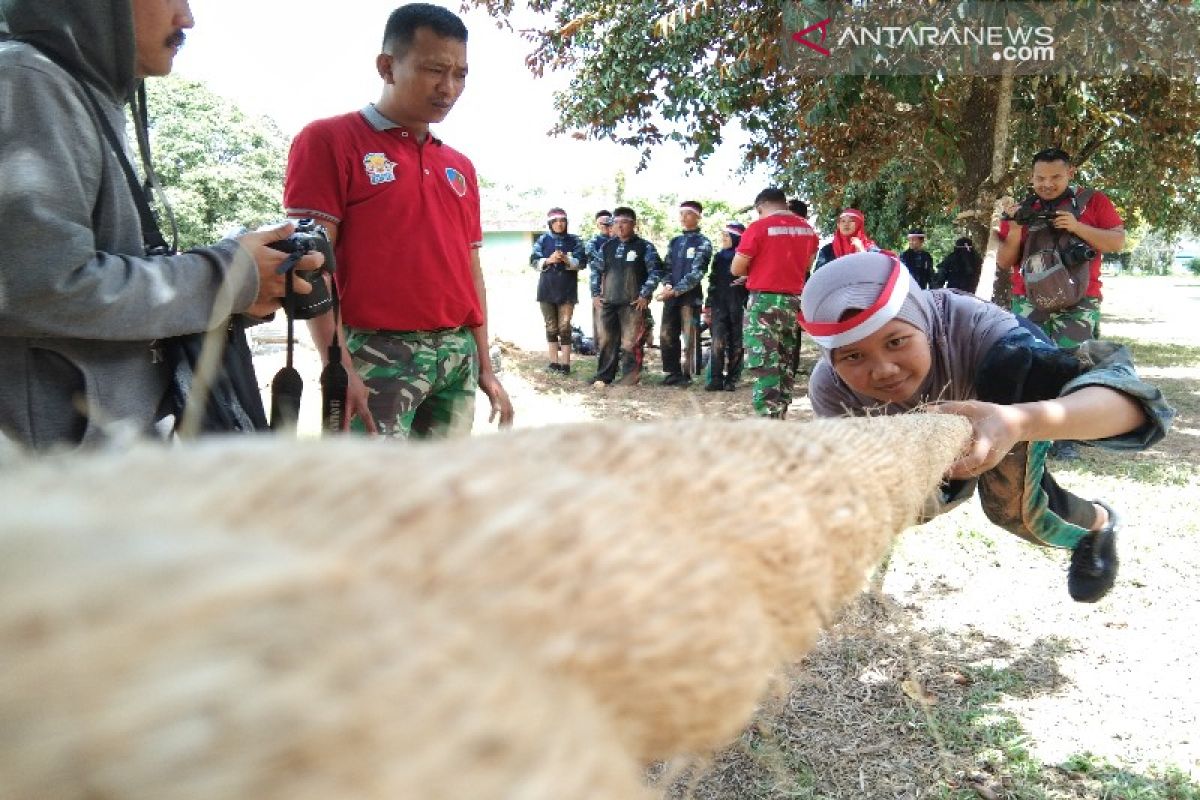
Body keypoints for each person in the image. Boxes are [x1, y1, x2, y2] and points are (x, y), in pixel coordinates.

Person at [0, 0, 318, 450]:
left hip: (112, 468)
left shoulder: (88, 94)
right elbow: (40, 286)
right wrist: (222, 279)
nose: (187, 18)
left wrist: (246, 292)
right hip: (54, 484)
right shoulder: (28, 81)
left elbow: (100, 284)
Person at [800, 252, 1172, 603]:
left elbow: (1135, 408)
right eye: (853, 356)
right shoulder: (831, 390)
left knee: (1016, 512)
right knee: (903, 504)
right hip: (930, 439)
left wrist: (1016, 421)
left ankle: (1098, 524)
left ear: (923, 324)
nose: (883, 369)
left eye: (896, 341)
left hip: (1006, 395)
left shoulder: (993, 339)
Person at [283, 3, 513, 438]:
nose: (448, 87)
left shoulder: (459, 166)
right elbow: (310, 267)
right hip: (375, 353)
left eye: (460, 74)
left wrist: (484, 364)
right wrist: (338, 366)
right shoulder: (329, 141)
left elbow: (471, 272)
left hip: (456, 356)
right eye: (434, 70)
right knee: (375, 496)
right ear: (387, 67)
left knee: (442, 495)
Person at [997, 147, 1125, 351]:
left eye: (1056, 177)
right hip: (1028, 300)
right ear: (1031, 177)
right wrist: (1014, 228)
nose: (1047, 184)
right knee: (1030, 367)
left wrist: (1076, 227)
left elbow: (1117, 242)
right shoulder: (1022, 211)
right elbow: (1004, 262)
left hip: (1079, 299)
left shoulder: (1093, 201)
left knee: (1075, 367)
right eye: (1040, 178)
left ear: (1071, 173)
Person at [731, 188, 819, 418]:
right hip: (793, 302)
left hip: (763, 302)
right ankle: (780, 415)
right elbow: (806, 266)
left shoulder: (758, 228)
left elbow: (736, 268)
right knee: (784, 360)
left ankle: (767, 420)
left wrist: (755, 273)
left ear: (760, 207)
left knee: (764, 361)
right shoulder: (808, 230)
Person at [589, 206, 665, 386]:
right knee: (607, 340)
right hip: (608, 301)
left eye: (624, 222)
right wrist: (595, 294)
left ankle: (631, 377)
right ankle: (604, 376)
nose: (620, 226)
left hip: (633, 303)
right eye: (616, 222)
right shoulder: (607, 246)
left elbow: (656, 271)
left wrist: (645, 294)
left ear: (633, 224)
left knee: (630, 342)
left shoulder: (644, 247)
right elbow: (596, 271)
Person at [657, 200, 713, 386]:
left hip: (690, 298)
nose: (683, 217)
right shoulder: (675, 241)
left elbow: (697, 272)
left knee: (690, 337)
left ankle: (688, 374)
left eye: (688, 213)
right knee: (666, 334)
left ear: (698, 217)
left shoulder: (703, 242)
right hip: (670, 298)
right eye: (681, 213)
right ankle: (672, 372)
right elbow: (666, 267)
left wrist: (676, 290)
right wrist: (666, 285)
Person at [530, 207, 585, 373]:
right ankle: (553, 363)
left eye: (562, 221)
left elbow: (582, 262)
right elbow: (533, 260)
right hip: (546, 289)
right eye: (555, 221)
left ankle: (566, 364)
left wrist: (567, 260)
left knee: (565, 326)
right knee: (551, 327)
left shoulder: (575, 240)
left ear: (566, 222)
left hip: (567, 289)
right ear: (550, 223)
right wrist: (549, 260)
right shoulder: (542, 240)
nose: (559, 224)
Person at [703, 222, 749, 392]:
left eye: (727, 236)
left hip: (739, 304)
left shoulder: (745, 256)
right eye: (722, 236)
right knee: (717, 341)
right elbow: (713, 281)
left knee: (737, 342)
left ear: (737, 238)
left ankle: (732, 378)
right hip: (719, 304)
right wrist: (708, 306)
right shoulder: (719, 256)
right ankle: (715, 378)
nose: (723, 239)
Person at [813, 208, 879, 272]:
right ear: (838, 225)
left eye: (851, 221)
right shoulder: (827, 250)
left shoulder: (870, 248)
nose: (846, 224)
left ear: (859, 224)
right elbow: (819, 276)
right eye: (843, 221)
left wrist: (862, 252)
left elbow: (876, 270)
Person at [586, 210, 614, 340]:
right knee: (601, 319)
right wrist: (596, 292)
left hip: (620, 286)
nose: (605, 225)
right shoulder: (593, 242)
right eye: (601, 223)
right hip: (601, 284)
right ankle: (600, 349)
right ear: (597, 224)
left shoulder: (620, 240)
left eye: (608, 222)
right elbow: (595, 267)